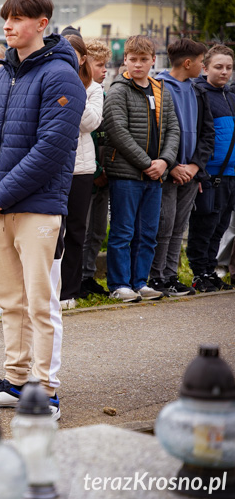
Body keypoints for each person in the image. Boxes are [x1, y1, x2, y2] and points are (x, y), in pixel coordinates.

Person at [0, 0, 85, 420]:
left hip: (37, 209)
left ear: (43, 23)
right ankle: (16, 381)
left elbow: (51, 148)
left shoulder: (61, 76)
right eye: (7, 18)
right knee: (10, 300)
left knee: (41, 303)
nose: (9, 25)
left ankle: (45, 389)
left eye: (18, 19)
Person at [102, 35, 179, 303]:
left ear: (152, 61)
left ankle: (140, 282)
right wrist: (147, 164)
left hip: (156, 176)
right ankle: (120, 284)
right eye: (132, 59)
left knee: (148, 232)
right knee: (123, 231)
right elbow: (117, 132)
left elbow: (173, 130)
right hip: (126, 175)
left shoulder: (161, 90)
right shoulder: (118, 90)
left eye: (143, 60)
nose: (137, 64)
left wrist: (165, 162)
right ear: (125, 60)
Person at [149, 39, 213, 296]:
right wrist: (173, 165)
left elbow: (207, 132)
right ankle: (156, 276)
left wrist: (195, 166)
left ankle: (172, 275)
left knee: (179, 226)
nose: (203, 66)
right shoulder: (159, 87)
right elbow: (155, 132)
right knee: (163, 225)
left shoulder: (198, 91)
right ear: (188, 63)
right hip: (168, 172)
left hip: (190, 173)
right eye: (201, 61)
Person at [59, 34, 104, 308]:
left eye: (72, 52)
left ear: (83, 57)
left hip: (80, 169)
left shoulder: (93, 88)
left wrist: (69, 93)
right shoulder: (46, 79)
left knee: (75, 230)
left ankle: (69, 291)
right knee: (50, 231)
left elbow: (90, 122)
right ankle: (47, 288)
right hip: (49, 167)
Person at [186, 45, 235, 292]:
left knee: (220, 226)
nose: (224, 72)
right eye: (218, 67)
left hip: (230, 173)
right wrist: (199, 170)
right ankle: (199, 272)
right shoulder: (199, 94)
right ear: (205, 68)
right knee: (203, 224)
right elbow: (197, 135)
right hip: (209, 173)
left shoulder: (230, 96)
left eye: (228, 67)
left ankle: (211, 269)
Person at [80, 39, 114, 296]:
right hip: (88, 171)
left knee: (98, 230)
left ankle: (89, 274)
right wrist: (98, 168)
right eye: (100, 65)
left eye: (106, 65)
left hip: (102, 171)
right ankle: (77, 277)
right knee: (82, 228)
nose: (105, 70)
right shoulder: (82, 91)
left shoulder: (102, 92)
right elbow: (88, 133)